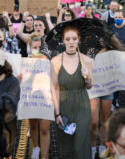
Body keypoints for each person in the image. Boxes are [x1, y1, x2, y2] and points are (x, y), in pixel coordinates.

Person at [51, 26, 93, 158]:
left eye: (74, 39)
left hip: (82, 105)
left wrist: (86, 77)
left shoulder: (86, 60)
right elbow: (55, 88)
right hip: (64, 106)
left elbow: (90, 86)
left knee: (80, 145)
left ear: (78, 40)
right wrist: (57, 113)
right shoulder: (56, 61)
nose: (71, 42)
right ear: (63, 41)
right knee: (66, 146)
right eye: (68, 39)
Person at [90, 30, 125, 159]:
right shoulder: (89, 51)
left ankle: (102, 146)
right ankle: (92, 147)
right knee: (93, 122)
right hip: (93, 89)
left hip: (107, 89)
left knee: (105, 120)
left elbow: (119, 69)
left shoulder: (113, 52)